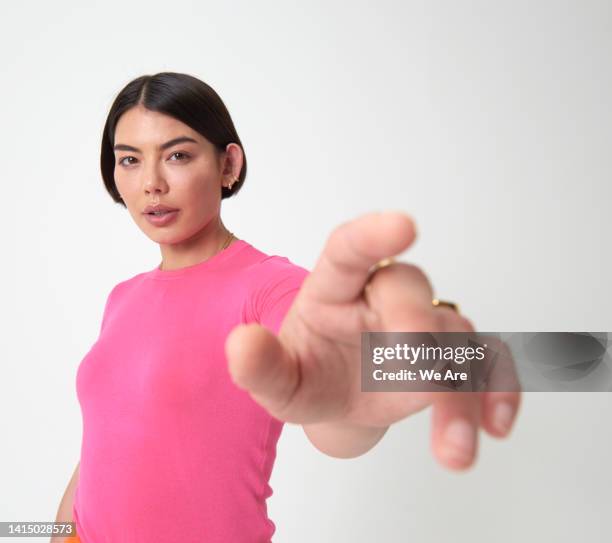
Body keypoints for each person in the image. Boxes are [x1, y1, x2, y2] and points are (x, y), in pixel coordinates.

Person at [52, 72, 521, 543]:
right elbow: (101, 449)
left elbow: (331, 397)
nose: (151, 183)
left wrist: (481, 361)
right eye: (129, 160)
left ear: (228, 164)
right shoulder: (123, 296)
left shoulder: (271, 287)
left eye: (177, 155)